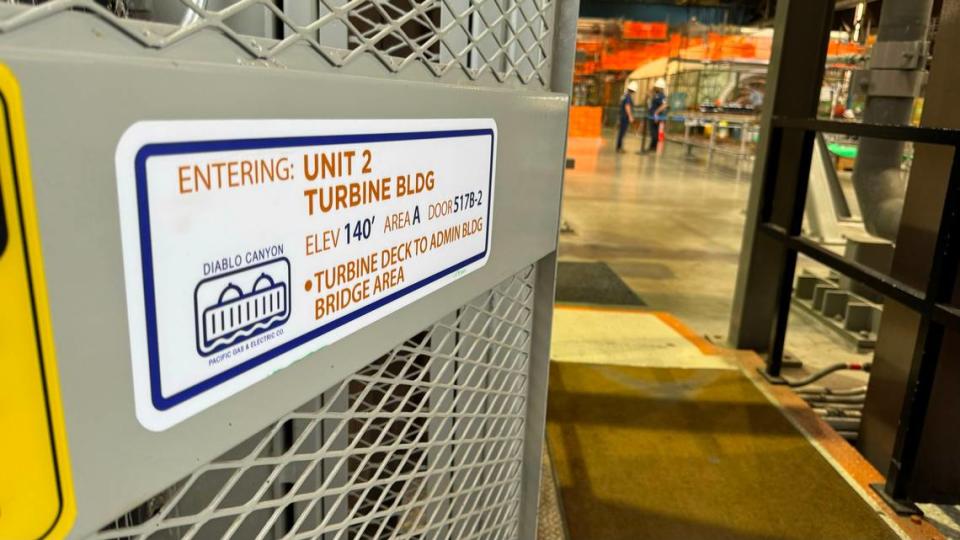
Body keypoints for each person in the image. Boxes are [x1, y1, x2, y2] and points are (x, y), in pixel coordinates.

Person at [644, 78, 668, 153]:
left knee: (654, 132)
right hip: (652, 116)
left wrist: (656, 112)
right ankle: (653, 147)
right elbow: (649, 96)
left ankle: (652, 147)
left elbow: (665, 105)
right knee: (654, 132)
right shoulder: (656, 95)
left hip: (655, 117)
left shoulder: (661, 96)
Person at [616, 81, 638, 154]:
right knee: (622, 133)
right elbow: (627, 106)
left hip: (622, 115)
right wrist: (630, 116)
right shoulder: (628, 96)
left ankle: (619, 147)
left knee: (621, 133)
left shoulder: (624, 95)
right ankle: (619, 148)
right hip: (625, 117)